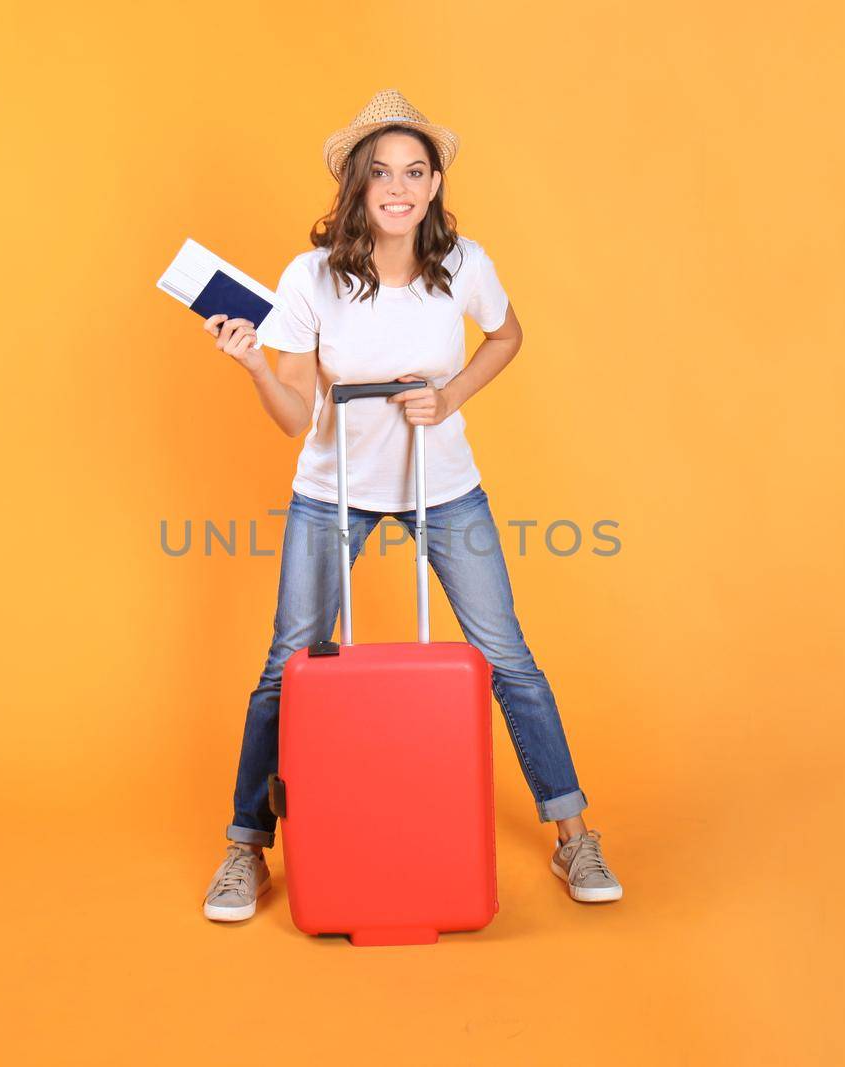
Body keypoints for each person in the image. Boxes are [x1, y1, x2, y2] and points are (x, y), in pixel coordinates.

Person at [198, 89, 622, 922]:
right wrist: (254, 365)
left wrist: (451, 394)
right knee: (290, 662)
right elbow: (295, 418)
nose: (399, 187)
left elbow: (506, 335)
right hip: (334, 492)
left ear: (433, 185)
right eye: (382, 172)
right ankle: (245, 847)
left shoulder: (465, 262)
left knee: (508, 658)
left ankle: (574, 834)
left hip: (442, 485)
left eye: (415, 172)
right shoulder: (309, 277)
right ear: (357, 185)